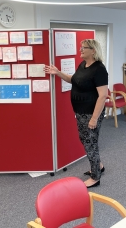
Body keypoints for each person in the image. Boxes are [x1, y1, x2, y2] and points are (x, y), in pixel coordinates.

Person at [44, 39, 108, 188]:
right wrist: (58, 72)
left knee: (89, 142)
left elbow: (103, 95)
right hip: (80, 112)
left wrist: (93, 118)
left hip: (91, 113)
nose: (80, 50)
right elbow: (73, 80)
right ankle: (98, 165)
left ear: (93, 50)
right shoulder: (83, 65)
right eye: (80, 47)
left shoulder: (99, 69)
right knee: (87, 140)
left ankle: (95, 177)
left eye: (83, 48)